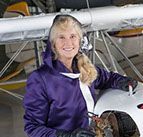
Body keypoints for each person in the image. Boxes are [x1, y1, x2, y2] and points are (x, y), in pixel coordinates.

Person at [23, 14, 138, 137]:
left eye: (72, 36)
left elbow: (107, 78)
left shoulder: (84, 67)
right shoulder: (40, 79)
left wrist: (125, 81)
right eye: (61, 37)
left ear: (79, 40)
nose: (68, 42)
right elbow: (33, 127)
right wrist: (66, 135)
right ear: (53, 44)